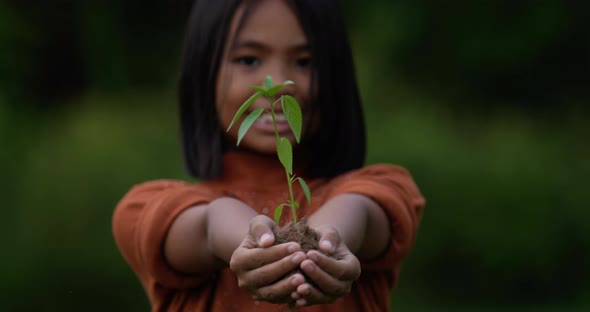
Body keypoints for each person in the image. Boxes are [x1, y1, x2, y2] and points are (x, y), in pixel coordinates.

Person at [112, 0, 425, 311]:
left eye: (305, 61)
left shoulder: (381, 187)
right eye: (249, 60)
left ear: (337, 75)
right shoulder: (150, 208)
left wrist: (323, 248)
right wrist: (257, 244)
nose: (276, 83)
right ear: (202, 72)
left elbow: (361, 210)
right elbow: (207, 226)